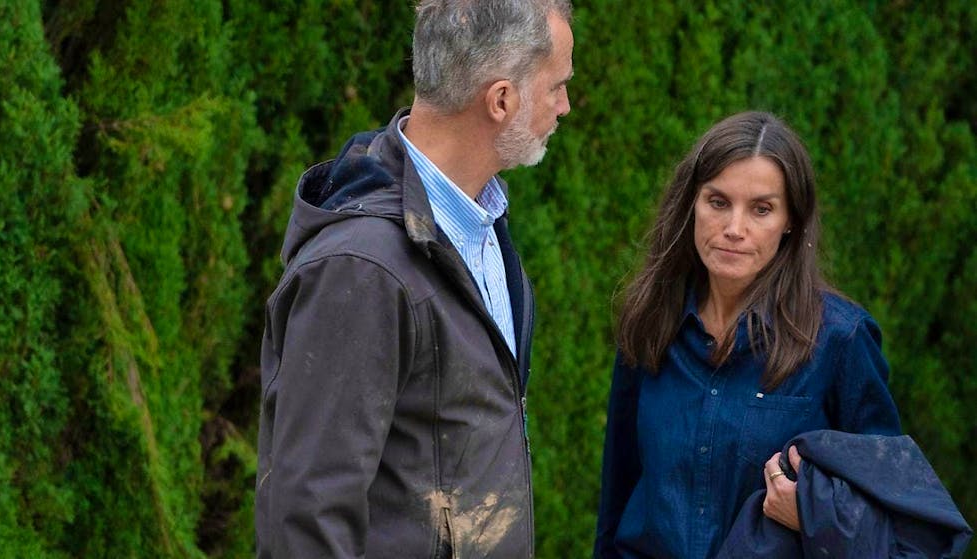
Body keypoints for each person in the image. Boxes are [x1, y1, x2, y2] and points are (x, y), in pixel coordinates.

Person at [255, 1, 573, 558]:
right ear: (502, 100)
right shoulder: (360, 269)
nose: (565, 106)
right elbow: (308, 515)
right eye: (556, 87)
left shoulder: (479, 222)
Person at [594, 111, 903, 559]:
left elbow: (890, 511)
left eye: (761, 209)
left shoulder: (840, 340)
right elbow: (618, 490)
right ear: (691, 205)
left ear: (790, 220)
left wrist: (814, 517)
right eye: (717, 202)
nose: (734, 229)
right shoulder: (651, 321)